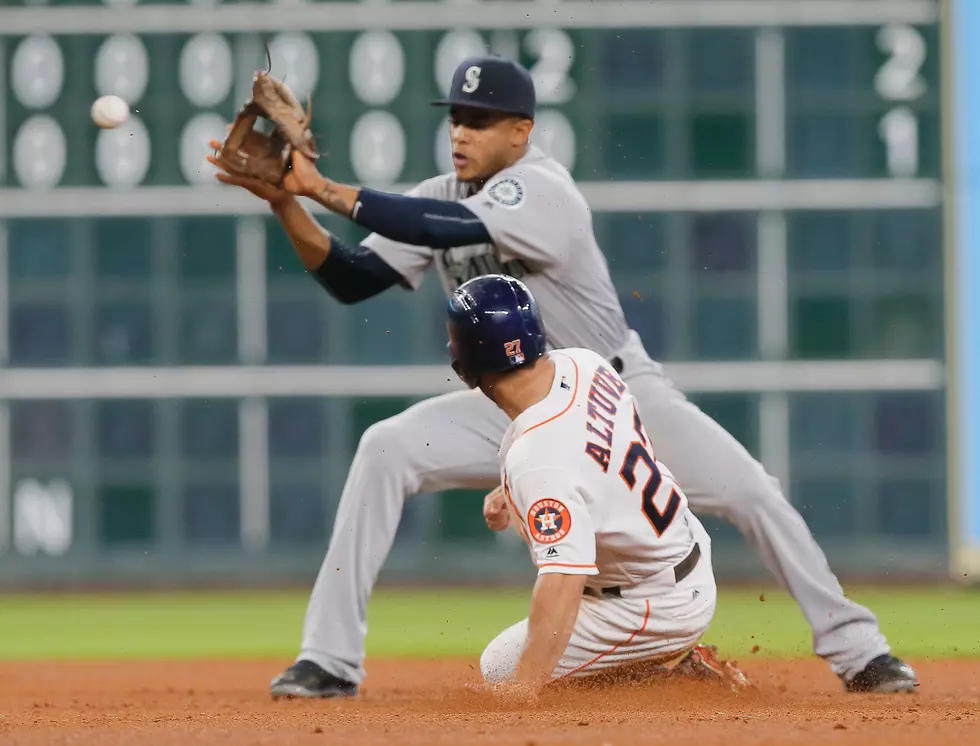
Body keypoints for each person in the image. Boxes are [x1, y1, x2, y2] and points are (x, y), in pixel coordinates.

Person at [207, 55, 918, 697]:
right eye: (456, 117)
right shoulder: (436, 190)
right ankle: (329, 661)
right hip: (512, 406)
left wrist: (322, 185)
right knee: (383, 449)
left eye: (481, 121)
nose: (462, 131)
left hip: (610, 393)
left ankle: (861, 652)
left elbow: (447, 227)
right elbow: (354, 278)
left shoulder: (540, 189)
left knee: (749, 491)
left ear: (521, 130)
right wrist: (285, 202)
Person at [447, 273, 749, 695]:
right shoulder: (584, 364)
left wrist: (525, 686)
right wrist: (515, 493)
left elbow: (563, 579)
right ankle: (663, 657)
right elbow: (596, 457)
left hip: (650, 606)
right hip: (680, 553)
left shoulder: (539, 460)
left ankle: (672, 670)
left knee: (502, 667)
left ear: (465, 367)